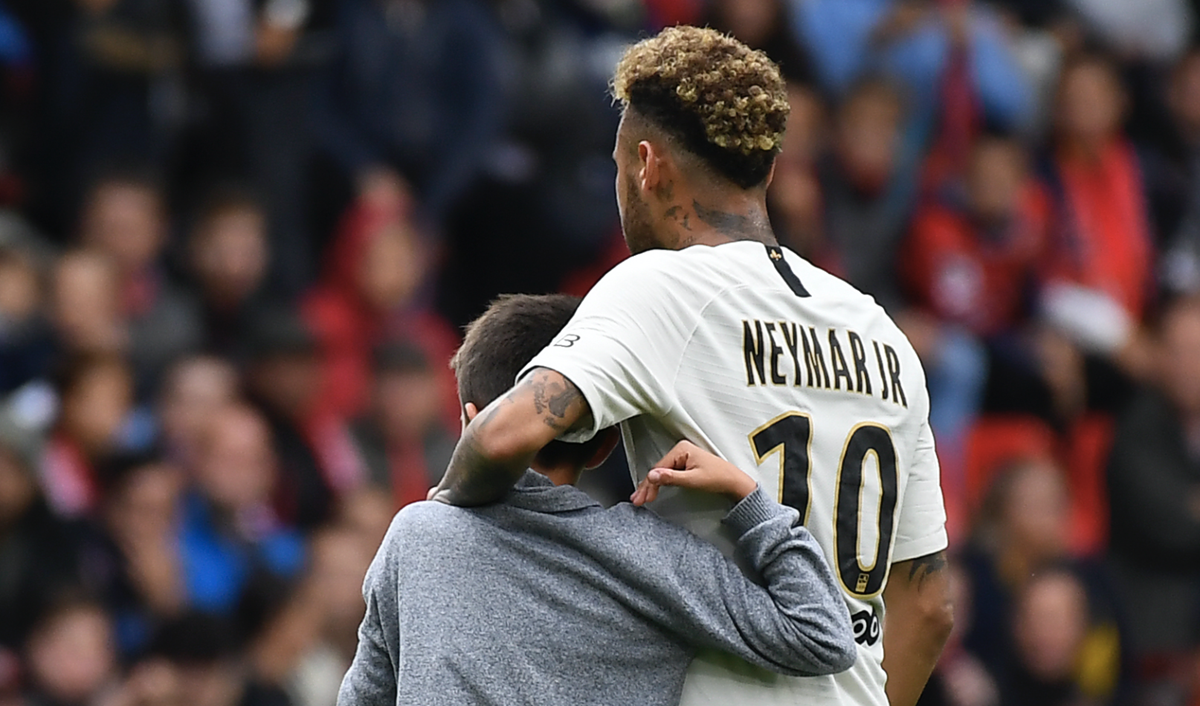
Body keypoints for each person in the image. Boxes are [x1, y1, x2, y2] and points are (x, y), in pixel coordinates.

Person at [432, 27, 952, 706]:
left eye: (619, 168)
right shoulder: (880, 332)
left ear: (647, 166)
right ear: (766, 172)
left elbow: (503, 438)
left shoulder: (658, 287)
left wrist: (435, 525)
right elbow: (930, 607)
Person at [339, 293, 856, 706]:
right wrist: (745, 495)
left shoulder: (416, 537)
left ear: (470, 424)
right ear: (607, 442)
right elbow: (823, 635)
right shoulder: (653, 557)